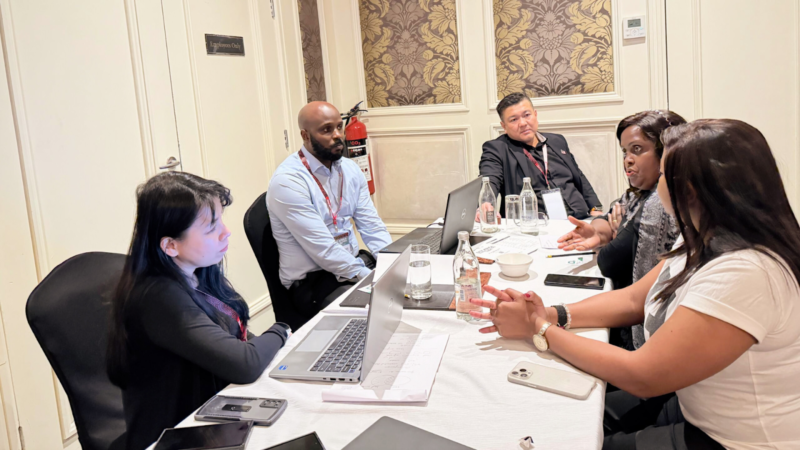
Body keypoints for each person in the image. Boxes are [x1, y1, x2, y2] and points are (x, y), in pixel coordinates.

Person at [470, 119, 800, 449]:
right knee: (560, 417)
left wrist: (538, 329)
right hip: (693, 401)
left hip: (735, 439)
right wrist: (552, 314)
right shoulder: (705, 239)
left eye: (662, 176)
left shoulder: (746, 271)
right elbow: (632, 301)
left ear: (688, 190)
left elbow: (644, 376)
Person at [106, 172, 291, 450]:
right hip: (176, 436)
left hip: (213, 414)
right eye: (210, 228)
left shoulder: (197, 271)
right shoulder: (158, 298)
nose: (225, 232)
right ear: (170, 245)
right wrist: (282, 329)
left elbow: (235, 337)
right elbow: (245, 364)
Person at [558, 110, 685, 349]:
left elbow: (609, 262)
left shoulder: (659, 204)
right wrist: (598, 233)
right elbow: (609, 214)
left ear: (666, 151)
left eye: (637, 149)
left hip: (640, 333)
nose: (627, 159)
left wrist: (615, 235)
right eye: (624, 151)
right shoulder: (639, 194)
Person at [267, 101, 391, 327]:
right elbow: (324, 251)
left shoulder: (350, 170)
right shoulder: (288, 182)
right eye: (326, 130)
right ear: (305, 135)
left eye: (339, 127)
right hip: (313, 282)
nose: (337, 136)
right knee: (383, 311)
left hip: (349, 266)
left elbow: (371, 225)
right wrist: (374, 280)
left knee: (407, 292)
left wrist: (392, 264)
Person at [479, 92, 603, 219]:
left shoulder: (557, 141)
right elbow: (489, 180)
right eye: (514, 119)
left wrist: (596, 209)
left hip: (581, 220)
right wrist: (486, 203)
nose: (522, 123)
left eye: (527, 115)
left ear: (535, 115)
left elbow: (579, 177)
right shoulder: (497, 149)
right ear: (504, 126)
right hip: (538, 226)